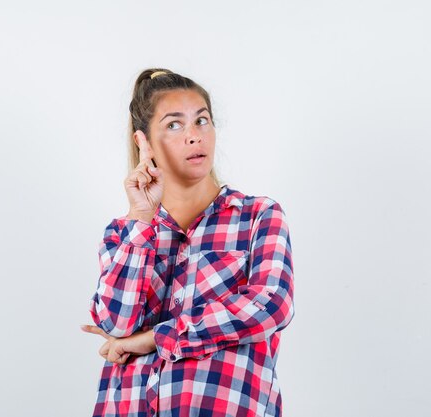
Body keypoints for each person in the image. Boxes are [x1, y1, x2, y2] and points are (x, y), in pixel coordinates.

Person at [80, 68, 295, 417]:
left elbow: (271, 306)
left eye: (202, 121)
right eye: (174, 125)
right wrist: (142, 218)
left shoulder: (257, 216)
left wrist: (155, 338)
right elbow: (116, 324)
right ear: (144, 142)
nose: (195, 136)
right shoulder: (123, 232)